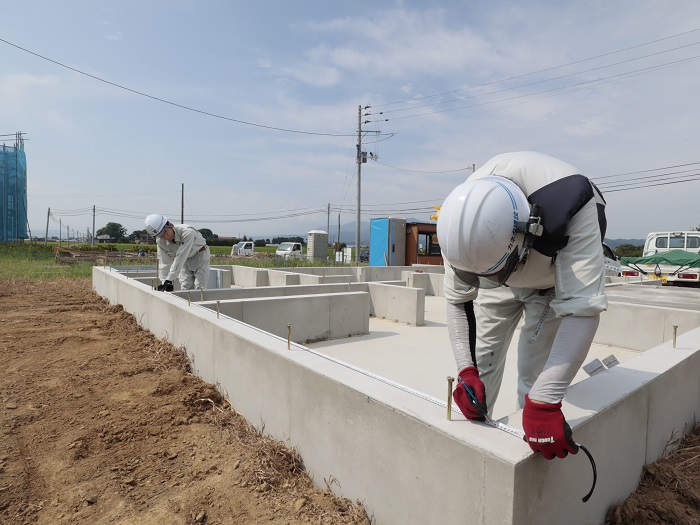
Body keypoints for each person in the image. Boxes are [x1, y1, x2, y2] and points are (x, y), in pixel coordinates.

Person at [436, 151, 608, 460]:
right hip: (492, 274)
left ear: (527, 232)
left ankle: (522, 448)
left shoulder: (575, 206)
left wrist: (546, 399)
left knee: (534, 375)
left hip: (549, 285)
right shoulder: (461, 224)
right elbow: (457, 301)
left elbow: (583, 309)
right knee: (482, 366)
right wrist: (465, 369)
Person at [144, 214, 210, 291]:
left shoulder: (187, 232)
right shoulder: (160, 241)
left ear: (170, 225)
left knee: (200, 287)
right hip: (184, 260)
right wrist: (165, 282)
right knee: (185, 286)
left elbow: (181, 255)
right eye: (160, 235)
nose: (165, 236)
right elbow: (164, 262)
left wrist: (170, 278)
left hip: (200, 256)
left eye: (165, 232)